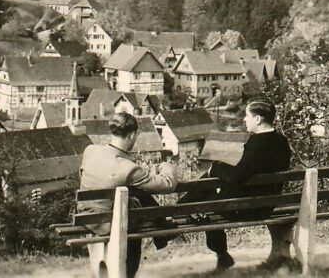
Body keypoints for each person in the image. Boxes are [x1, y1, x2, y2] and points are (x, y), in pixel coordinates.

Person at [187, 99, 293, 270]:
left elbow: (237, 176)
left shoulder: (257, 144)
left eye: (247, 116)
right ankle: (220, 253)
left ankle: (179, 213)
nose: (244, 119)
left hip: (247, 207)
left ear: (258, 119)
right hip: (267, 204)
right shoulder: (282, 142)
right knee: (208, 193)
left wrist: (215, 167)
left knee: (206, 197)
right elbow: (247, 174)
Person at [78, 111, 179, 278]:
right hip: (109, 224)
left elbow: (84, 175)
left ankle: (162, 232)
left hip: (86, 216)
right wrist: (166, 166)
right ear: (132, 135)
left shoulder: (90, 150)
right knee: (132, 211)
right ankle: (130, 272)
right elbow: (167, 185)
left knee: (131, 194)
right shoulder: (127, 168)